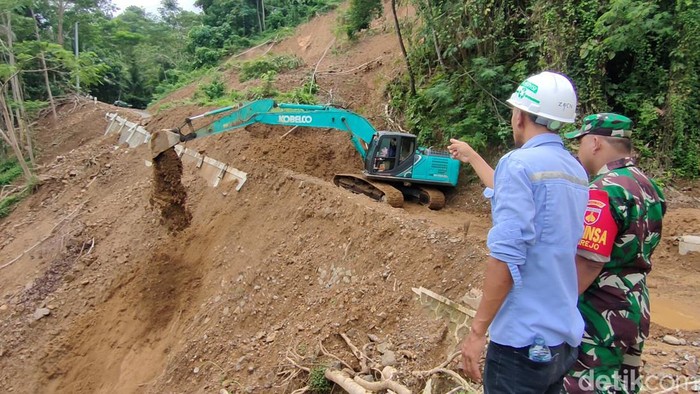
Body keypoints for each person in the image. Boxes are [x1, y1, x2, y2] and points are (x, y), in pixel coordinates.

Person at [448, 71, 589, 393]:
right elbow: (508, 191)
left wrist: (477, 331)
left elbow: (506, 257)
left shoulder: (519, 164)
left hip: (521, 341)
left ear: (521, 116)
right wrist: (472, 157)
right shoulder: (575, 171)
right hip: (562, 340)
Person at [562, 114, 666, 393]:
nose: (578, 150)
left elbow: (588, 262)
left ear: (595, 142)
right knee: (625, 386)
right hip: (635, 306)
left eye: (580, 142)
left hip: (600, 315)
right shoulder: (649, 186)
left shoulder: (603, 191)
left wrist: (559, 306)